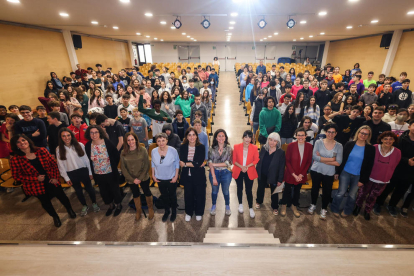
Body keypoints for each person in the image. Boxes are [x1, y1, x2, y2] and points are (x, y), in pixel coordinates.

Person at [10, 134, 75, 227]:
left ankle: (69, 210)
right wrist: (35, 178)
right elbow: (16, 176)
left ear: (28, 141)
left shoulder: (41, 150)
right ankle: (55, 216)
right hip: (35, 185)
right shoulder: (15, 159)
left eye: (23, 140)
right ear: (16, 145)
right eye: (18, 142)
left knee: (62, 197)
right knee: (45, 202)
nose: (22, 143)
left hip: (52, 179)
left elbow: (53, 164)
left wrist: (55, 177)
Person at [354, 131, 401, 220]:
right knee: (362, 193)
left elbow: (395, 165)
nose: (388, 141)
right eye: (385, 139)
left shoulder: (397, 152)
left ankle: (367, 210)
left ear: (394, 140)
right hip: (369, 177)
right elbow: (367, 162)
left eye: (391, 139)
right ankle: (358, 207)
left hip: (383, 179)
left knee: (373, 197)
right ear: (381, 139)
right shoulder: (374, 148)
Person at [331, 125, 376, 217]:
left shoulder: (371, 149)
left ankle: (347, 211)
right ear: (358, 133)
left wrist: (363, 180)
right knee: (341, 192)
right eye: (362, 133)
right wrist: (337, 172)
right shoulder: (349, 144)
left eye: (366, 134)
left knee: (352, 195)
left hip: (358, 176)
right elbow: (342, 159)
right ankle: (334, 208)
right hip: (345, 172)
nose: (363, 135)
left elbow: (369, 166)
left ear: (369, 136)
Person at [56, 128, 99, 216]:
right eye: (63, 136)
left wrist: (90, 172)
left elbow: (86, 160)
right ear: (61, 138)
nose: (66, 138)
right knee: (78, 191)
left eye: (68, 135)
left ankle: (94, 203)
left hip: (83, 171)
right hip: (71, 173)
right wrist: (66, 177)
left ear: (71, 136)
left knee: (89, 188)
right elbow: (61, 165)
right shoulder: (58, 149)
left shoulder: (80, 145)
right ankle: (84, 205)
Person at [376, 120, 414, 217]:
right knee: (388, 187)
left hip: (411, 171)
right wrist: (407, 161)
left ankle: (392, 205)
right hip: (397, 168)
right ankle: (378, 203)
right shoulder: (401, 139)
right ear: (409, 127)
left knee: (401, 189)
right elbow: (394, 154)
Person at [85, 125, 123, 217]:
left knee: (115, 190)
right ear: (89, 134)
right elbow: (89, 160)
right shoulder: (88, 145)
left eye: (96, 132)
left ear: (100, 133)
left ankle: (118, 205)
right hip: (98, 173)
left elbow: (116, 155)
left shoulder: (107, 142)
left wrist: (113, 165)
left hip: (110, 171)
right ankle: (111, 206)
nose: (94, 135)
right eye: (91, 132)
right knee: (104, 192)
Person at [308, 123, 343, 220]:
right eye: (329, 132)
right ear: (325, 132)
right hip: (316, 170)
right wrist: (332, 159)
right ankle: (313, 204)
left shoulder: (339, 146)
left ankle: (324, 208)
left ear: (336, 133)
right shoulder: (319, 142)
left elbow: (339, 162)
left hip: (329, 172)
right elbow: (314, 157)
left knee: (327, 191)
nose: (330, 134)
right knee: (315, 188)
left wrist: (321, 159)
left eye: (333, 132)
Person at [280, 128, 313, 217]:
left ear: (306, 136)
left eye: (302, 135)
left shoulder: (309, 146)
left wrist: (301, 174)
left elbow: (308, 162)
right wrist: (294, 175)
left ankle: (294, 206)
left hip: (301, 175)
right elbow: (287, 161)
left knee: (297, 191)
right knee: (287, 190)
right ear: (296, 136)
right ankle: (284, 205)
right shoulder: (291, 146)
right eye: (299, 135)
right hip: (291, 173)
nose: (300, 137)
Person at [120, 132, 153, 221]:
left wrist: (140, 178)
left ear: (136, 140)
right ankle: (138, 210)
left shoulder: (142, 150)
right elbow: (123, 168)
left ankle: (150, 208)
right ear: (126, 142)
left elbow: (147, 165)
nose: (131, 142)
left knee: (147, 192)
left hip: (143, 176)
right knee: (135, 194)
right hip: (131, 179)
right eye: (128, 140)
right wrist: (133, 179)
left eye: (132, 139)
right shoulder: (123, 152)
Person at [151, 133, 180, 222]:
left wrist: (176, 176)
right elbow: (152, 163)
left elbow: (177, 164)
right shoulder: (154, 151)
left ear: (167, 141)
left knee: (172, 195)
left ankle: (174, 211)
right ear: (156, 142)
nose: (161, 143)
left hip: (171, 177)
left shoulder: (173, 150)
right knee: (164, 196)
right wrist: (153, 175)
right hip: (160, 178)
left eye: (163, 140)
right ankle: (167, 211)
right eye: (159, 141)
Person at [179, 127, 206, 221]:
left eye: (193, 135)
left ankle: (199, 212)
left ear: (196, 136)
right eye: (189, 135)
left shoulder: (201, 147)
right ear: (186, 136)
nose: (191, 137)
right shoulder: (182, 147)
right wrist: (192, 163)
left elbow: (198, 163)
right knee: (188, 194)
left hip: (199, 176)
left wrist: (186, 164)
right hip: (187, 175)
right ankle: (189, 212)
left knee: (199, 194)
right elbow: (182, 160)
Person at [254, 132, 285, 215]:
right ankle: (259, 201)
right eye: (270, 140)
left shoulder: (281, 152)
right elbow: (259, 161)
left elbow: (282, 167)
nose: (272, 142)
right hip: (263, 173)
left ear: (278, 142)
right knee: (260, 188)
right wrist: (257, 172)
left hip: (274, 175)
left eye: (275, 141)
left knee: (274, 192)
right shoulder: (264, 148)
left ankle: (275, 206)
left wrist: (280, 179)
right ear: (268, 140)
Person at [232, 130, 259, 218]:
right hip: (238, 170)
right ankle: (240, 204)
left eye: (249, 137)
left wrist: (247, 166)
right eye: (246, 137)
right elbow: (234, 160)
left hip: (249, 170)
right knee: (239, 188)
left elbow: (256, 160)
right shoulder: (236, 147)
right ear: (243, 137)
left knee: (249, 190)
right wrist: (242, 167)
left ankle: (250, 208)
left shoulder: (254, 148)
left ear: (251, 139)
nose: (247, 139)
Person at [208, 129, 233, 216]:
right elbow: (209, 164)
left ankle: (227, 206)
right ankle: (214, 205)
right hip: (214, 173)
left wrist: (213, 164)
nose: (221, 138)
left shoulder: (229, 148)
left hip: (226, 173)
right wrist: (214, 177)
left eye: (223, 136)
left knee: (225, 190)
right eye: (219, 136)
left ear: (225, 137)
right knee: (214, 191)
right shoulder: (211, 149)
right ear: (216, 138)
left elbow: (228, 163)